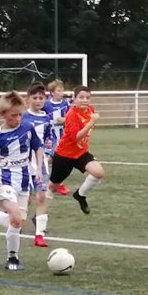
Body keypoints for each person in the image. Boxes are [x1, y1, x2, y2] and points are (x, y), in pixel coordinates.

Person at [0, 91, 44, 271]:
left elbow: (37, 148)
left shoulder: (28, 128)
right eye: (13, 115)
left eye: (20, 114)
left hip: (23, 181)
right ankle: (12, 258)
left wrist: (37, 170)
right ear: (3, 115)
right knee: (15, 216)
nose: (18, 118)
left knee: (17, 223)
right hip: (3, 180)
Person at [47, 85, 104, 214]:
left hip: (81, 153)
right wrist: (91, 123)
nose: (85, 100)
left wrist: (91, 123)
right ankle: (40, 214)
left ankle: (80, 195)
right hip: (64, 155)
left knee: (98, 172)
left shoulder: (90, 110)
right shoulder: (71, 114)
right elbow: (77, 138)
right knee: (53, 187)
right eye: (81, 97)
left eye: (88, 98)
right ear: (74, 98)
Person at [22, 82, 53, 247]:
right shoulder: (23, 117)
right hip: (24, 164)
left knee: (41, 197)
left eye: (41, 98)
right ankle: (17, 223)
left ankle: (39, 235)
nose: (38, 100)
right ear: (28, 99)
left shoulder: (47, 119)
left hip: (41, 164)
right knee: (25, 200)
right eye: (34, 97)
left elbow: (50, 138)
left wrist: (49, 153)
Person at [43, 79, 71, 195]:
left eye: (62, 90)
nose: (61, 93)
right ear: (52, 92)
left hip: (63, 136)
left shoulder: (65, 104)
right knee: (48, 159)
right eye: (59, 90)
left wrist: (64, 120)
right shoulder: (46, 104)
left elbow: (71, 118)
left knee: (58, 160)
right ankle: (50, 183)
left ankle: (54, 182)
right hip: (50, 136)